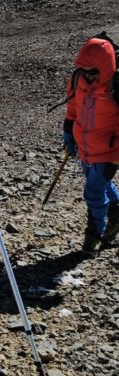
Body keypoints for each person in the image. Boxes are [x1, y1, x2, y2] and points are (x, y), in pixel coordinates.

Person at [63, 36, 119, 255]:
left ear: (104, 67)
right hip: (85, 147)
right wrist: (68, 131)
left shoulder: (116, 85)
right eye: (84, 70)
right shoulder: (78, 79)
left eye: (92, 71)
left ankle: (93, 235)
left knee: (93, 192)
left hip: (110, 151)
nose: (87, 75)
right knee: (101, 187)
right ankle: (116, 216)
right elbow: (73, 108)